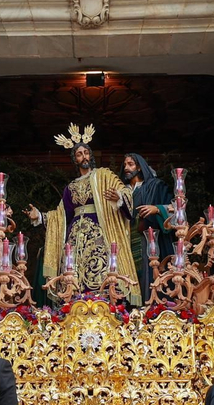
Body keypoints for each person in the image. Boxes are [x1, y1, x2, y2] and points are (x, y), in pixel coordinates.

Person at [25, 125, 141, 305]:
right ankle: (73, 306)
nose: (84, 156)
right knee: (73, 274)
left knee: (103, 269)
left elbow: (125, 192)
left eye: (86, 152)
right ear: (75, 159)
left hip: (99, 235)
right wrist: (39, 216)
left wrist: (118, 197)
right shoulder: (70, 187)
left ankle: (106, 305)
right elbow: (62, 215)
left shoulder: (103, 175)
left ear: (91, 155)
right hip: (75, 239)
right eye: (79, 154)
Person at [122, 152, 173, 301]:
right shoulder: (122, 192)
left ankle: (151, 310)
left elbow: (175, 208)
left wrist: (156, 209)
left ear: (139, 167)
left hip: (148, 240)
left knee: (149, 276)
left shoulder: (155, 186)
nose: (126, 168)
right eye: (124, 165)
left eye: (130, 164)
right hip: (125, 244)